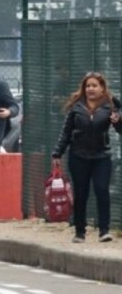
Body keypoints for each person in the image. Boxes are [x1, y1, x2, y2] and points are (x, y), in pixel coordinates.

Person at [52, 72, 121, 243]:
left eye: (94, 86)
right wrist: (57, 152)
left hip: (101, 156)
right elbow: (66, 132)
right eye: (88, 86)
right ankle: (80, 231)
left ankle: (104, 230)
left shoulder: (110, 105)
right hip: (79, 156)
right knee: (81, 193)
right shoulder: (76, 107)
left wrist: (118, 121)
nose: (91, 89)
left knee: (102, 190)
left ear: (102, 88)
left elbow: (120, 129)